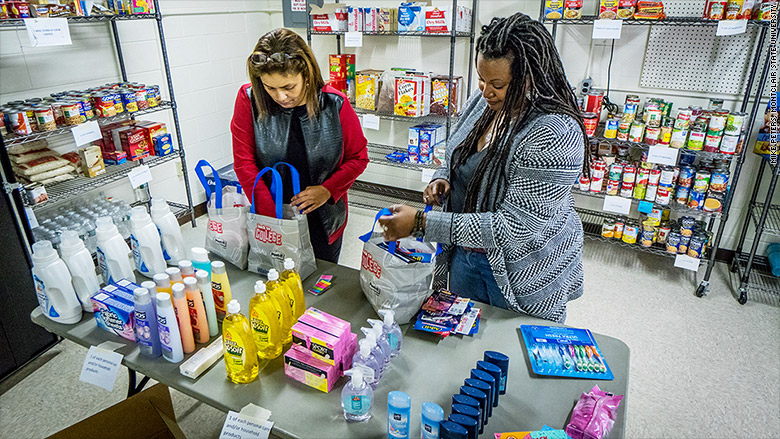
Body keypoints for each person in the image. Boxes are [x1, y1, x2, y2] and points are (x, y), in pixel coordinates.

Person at [379, 13, 589, 323]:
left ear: (529, 77)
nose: (486, 90)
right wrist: (444, 175)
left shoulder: (554, 132)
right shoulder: (484, 102)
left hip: (520, 270)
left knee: (510, 351)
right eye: (481, 79)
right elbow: (454, 150)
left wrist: (421, 223)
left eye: (498, 84)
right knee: (466, 337)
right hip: (466, 254)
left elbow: (514, 229)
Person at [231, 28, 369, 263]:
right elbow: (244, 163)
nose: (280, 97)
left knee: (321, 284)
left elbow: (358, 157)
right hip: (271, 212)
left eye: (288, 87)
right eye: (270, 88)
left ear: (306, 74)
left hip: (323, 217)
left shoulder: (335, 103)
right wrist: (272, 217)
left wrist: (328, 190)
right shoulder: (249, 100)